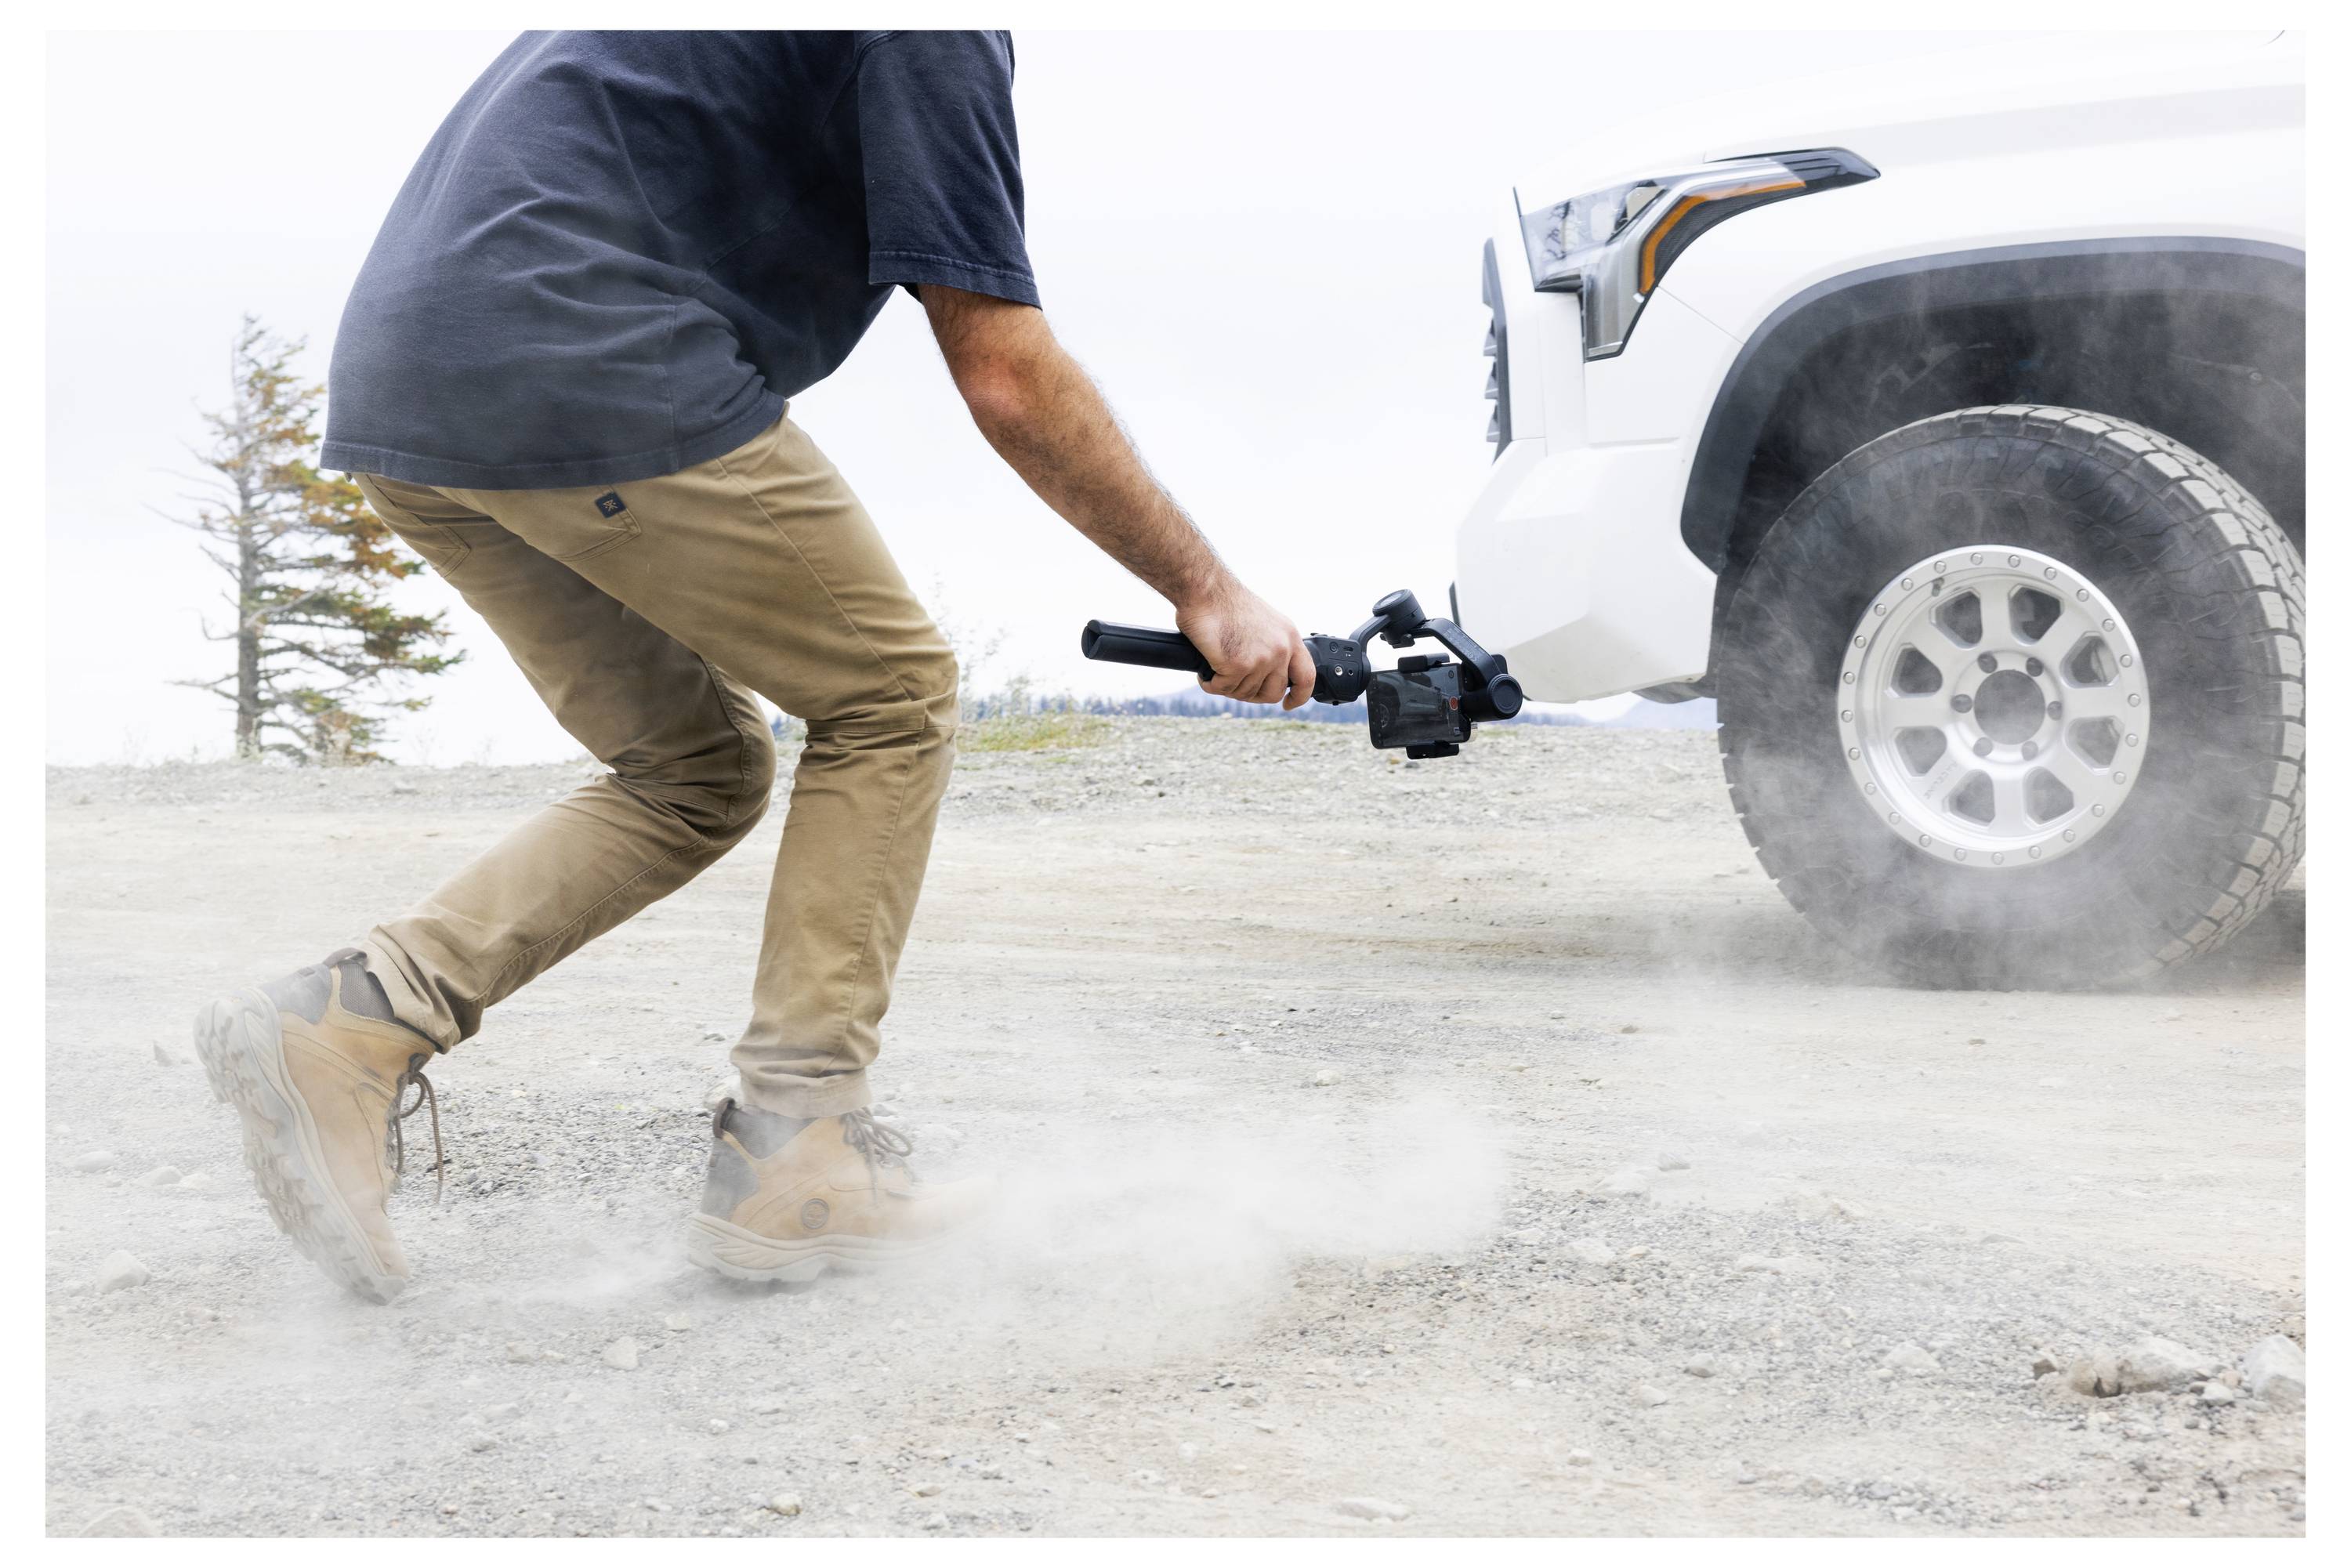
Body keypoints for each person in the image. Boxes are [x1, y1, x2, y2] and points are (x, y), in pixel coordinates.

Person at [194, 30, 1313, 1303]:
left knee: (696, 766)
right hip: (582, 358)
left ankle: (360, 1013)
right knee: (890, 696)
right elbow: (1003, 370)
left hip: (409, 384)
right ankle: (801, 1153)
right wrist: (1204, 589)